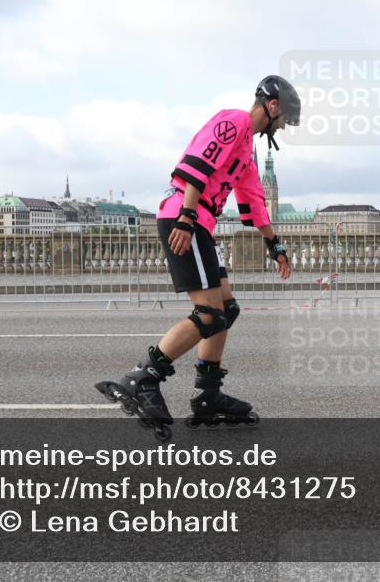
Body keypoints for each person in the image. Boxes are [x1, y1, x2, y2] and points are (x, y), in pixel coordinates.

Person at [97, 76, 299, 438]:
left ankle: (208, 394)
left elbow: (253, 200)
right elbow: (197, 165)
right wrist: (187, 218)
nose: (283, 125)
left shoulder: (245, 149)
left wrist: (275, 246)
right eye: (284, 118)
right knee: (209, 314)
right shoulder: (233, 120)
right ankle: (144, 377)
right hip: (185, 216)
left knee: (226, 311)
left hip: (200, 221)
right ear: (272, 106)